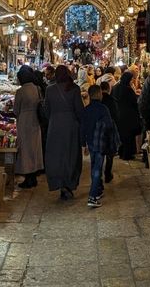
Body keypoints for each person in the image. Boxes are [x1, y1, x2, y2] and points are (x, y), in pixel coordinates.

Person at [44, 64, 84, 200]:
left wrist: (53, 119)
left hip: (54, 126)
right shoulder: (74, 89)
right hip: (71, 125)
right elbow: (79, 110)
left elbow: (46, 110)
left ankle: (59, 183)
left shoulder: (49, 90)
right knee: (71, 154)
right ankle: (69, 183)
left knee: (56, 155)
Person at [81, 85, 118, 208]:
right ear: (99, 94)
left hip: (91, 142)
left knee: (94, 166)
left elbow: (83, 128)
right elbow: (108, 126)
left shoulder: (86, 110)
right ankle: (92, 196)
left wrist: (83, 144)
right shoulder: (103, 109)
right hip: (100, 143)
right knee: (97, 168)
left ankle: (97, 190)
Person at [14, 65, 44, 189]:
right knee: (34, 148)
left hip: (24, 121)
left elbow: (16, 110)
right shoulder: (37, 89)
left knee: (25, 150)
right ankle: (34, 176)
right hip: (35, 121)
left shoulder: (20, 91)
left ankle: (28, 178)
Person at [112, 71, 143, 160]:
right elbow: (134, 102)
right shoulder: (127, 89)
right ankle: (127, 154)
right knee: (128, 136)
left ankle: (121, 153)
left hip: (118, 114)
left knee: (121, 135)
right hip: (128, 116)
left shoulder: (115, 87)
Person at [100, 80, 119, 183]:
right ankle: (108, 173)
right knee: (110, 153)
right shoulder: (112, 100)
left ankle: (98, 175)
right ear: (108, 88)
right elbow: (116, 115)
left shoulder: (98, 100)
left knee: (100, 153)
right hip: (110, 129)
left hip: (99, 130)